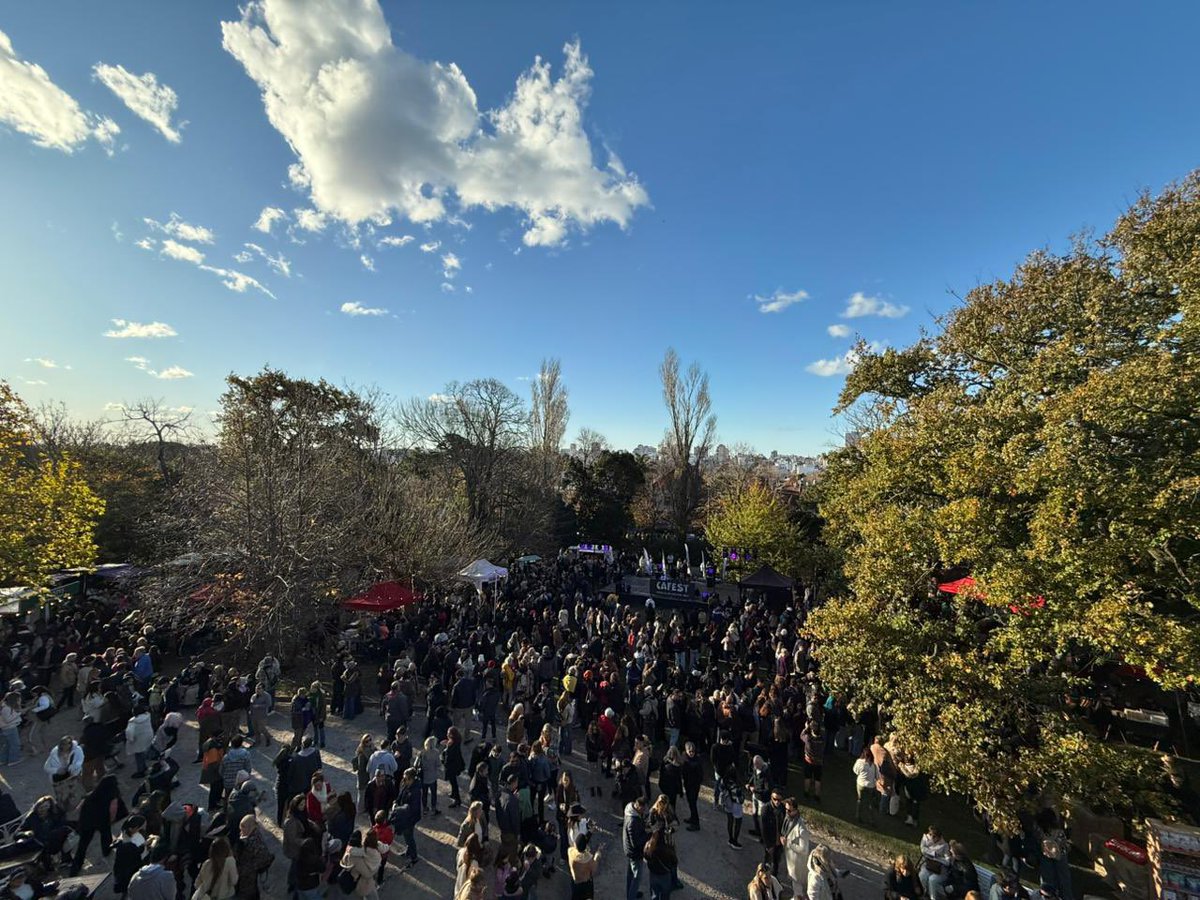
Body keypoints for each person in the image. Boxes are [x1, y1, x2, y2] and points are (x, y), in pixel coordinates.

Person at [70, 773, 126, 874]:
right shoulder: (112, 792)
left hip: (87, 820)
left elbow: (81, 806)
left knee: (83, 843)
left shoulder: (94, 793)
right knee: (105, 835)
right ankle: (106, 851)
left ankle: (76, 866)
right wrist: (111, 820)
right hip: (102, 818)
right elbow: (113, 808)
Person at [234, 815, 274, 900]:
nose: (241, 831)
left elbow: (264, 858)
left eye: (243, 828)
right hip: (245, 877)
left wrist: (246, 868)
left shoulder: (255, 841)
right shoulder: (249, 835)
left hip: (249, 879)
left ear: (250, 827)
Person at [390, 767, 422, 869]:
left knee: (409, 837)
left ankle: (414, 857)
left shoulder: (415, 791)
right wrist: (396, 802)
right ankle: (409, 851)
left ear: (412, 779)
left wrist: (398, 808)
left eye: (406, 778)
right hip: (405, 816)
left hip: (410, 818)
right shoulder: (407, 785)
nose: (404, 780)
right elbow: (400, 795)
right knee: (407, 835)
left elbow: (411, 808)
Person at [43, 735, 85, 812]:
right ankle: (60, 809)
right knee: (59, 795)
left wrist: (72, 767)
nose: (66, 745)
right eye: (64, 743)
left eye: (69, 743)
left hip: (72, 776)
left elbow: (80, 761)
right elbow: (46, 767)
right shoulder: (55, 753)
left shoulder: (77, 750)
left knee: (72, 793)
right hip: (58, 778)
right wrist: (57, 770)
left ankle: (70, 807)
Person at [340, 829, 382, 900]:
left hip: (353, 877)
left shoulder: (349, 850)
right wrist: (375, 870)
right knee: (373, 897)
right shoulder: (357, 858)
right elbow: (367, 874)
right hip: (361, 883)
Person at [112, 814, 148, 896]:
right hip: (132, 870)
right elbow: (139, 853)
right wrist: (146, 844)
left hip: (125, 871)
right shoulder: (133, 841)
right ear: (135, 827)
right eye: (142, 826)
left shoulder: (125, 834)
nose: (144, 827)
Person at [194, 835, 238, 900]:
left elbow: (197, 883)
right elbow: (234, 881)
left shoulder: (207, 863)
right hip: (226, 896)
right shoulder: (230, 861)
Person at [622, 795, 648, 900]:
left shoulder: (631, 811)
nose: (645, 810)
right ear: (638, 806)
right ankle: (631, 896)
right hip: (634, 852)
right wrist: (648, 834)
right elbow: (635, 843)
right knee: (636, 877)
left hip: (629, 850)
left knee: (630, 875)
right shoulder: (633, 821)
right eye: (644, 808)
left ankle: (631, 893)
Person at [644, 826, 677, 900]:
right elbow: (674, 863)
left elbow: (646, 857)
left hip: (653, 874)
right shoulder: (667, 849)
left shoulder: (648, 847)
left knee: (654, 895)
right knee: (665, 895)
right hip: (664, 875)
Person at [568, 832, 600, 900]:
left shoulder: (570, 852)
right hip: (585, 884)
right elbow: (594, 869)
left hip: (575, 881)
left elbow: (576, 847)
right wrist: (596, 857)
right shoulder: (587, 859)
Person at [720, 765, 746, 849]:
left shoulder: (723, 781)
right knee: (738, 822)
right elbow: (740, 800)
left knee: (730, 821)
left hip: (727, 803)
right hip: (736, 805)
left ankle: (730, 839)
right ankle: (735, 841)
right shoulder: (736, 785)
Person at [853, 746, 879, 824]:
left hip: (861, 784)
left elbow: (855, 771)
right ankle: (871, 819)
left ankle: (858, 815)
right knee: (870, 803)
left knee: (860, 800)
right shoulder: (874, 766)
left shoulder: (860, 762)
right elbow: (877, 776)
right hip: (870, 786)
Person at [801, 718, 825, 802]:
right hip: (819, 762)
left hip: (809, 761)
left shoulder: (808, 738)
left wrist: (806, 728)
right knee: (817, 779)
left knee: (807, 777)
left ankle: (806, 792)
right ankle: (817, 795)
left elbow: (801, 735)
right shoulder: (822, 739)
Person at [681, 741, 703, 830]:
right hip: (687, 783)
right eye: (689, 751)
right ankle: (692, 818)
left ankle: (696, 823)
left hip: (694, 785)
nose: (691, 753)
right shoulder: (684, 757)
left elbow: (700, 775)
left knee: (693, 803)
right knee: (690, 802)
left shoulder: (697, 761)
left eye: (693, 751)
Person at [444, 726, 467, 808]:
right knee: (453, 782)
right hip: (455, 765)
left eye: (448, 733)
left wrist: (447, 747)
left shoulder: (452, 745)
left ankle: (457, 799)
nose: (447, 734)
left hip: (451, 767)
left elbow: (449, 756)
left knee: (454, 783)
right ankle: (454, 794)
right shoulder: (456, 741)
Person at [420, 735, 441, 815]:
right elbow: (438, 764)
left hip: (424, 777)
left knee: (424, 794)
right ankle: (433, 808)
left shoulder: (422, 752)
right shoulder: (436, 753)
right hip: (432, 777)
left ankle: (424, 808)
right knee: (433, 794)